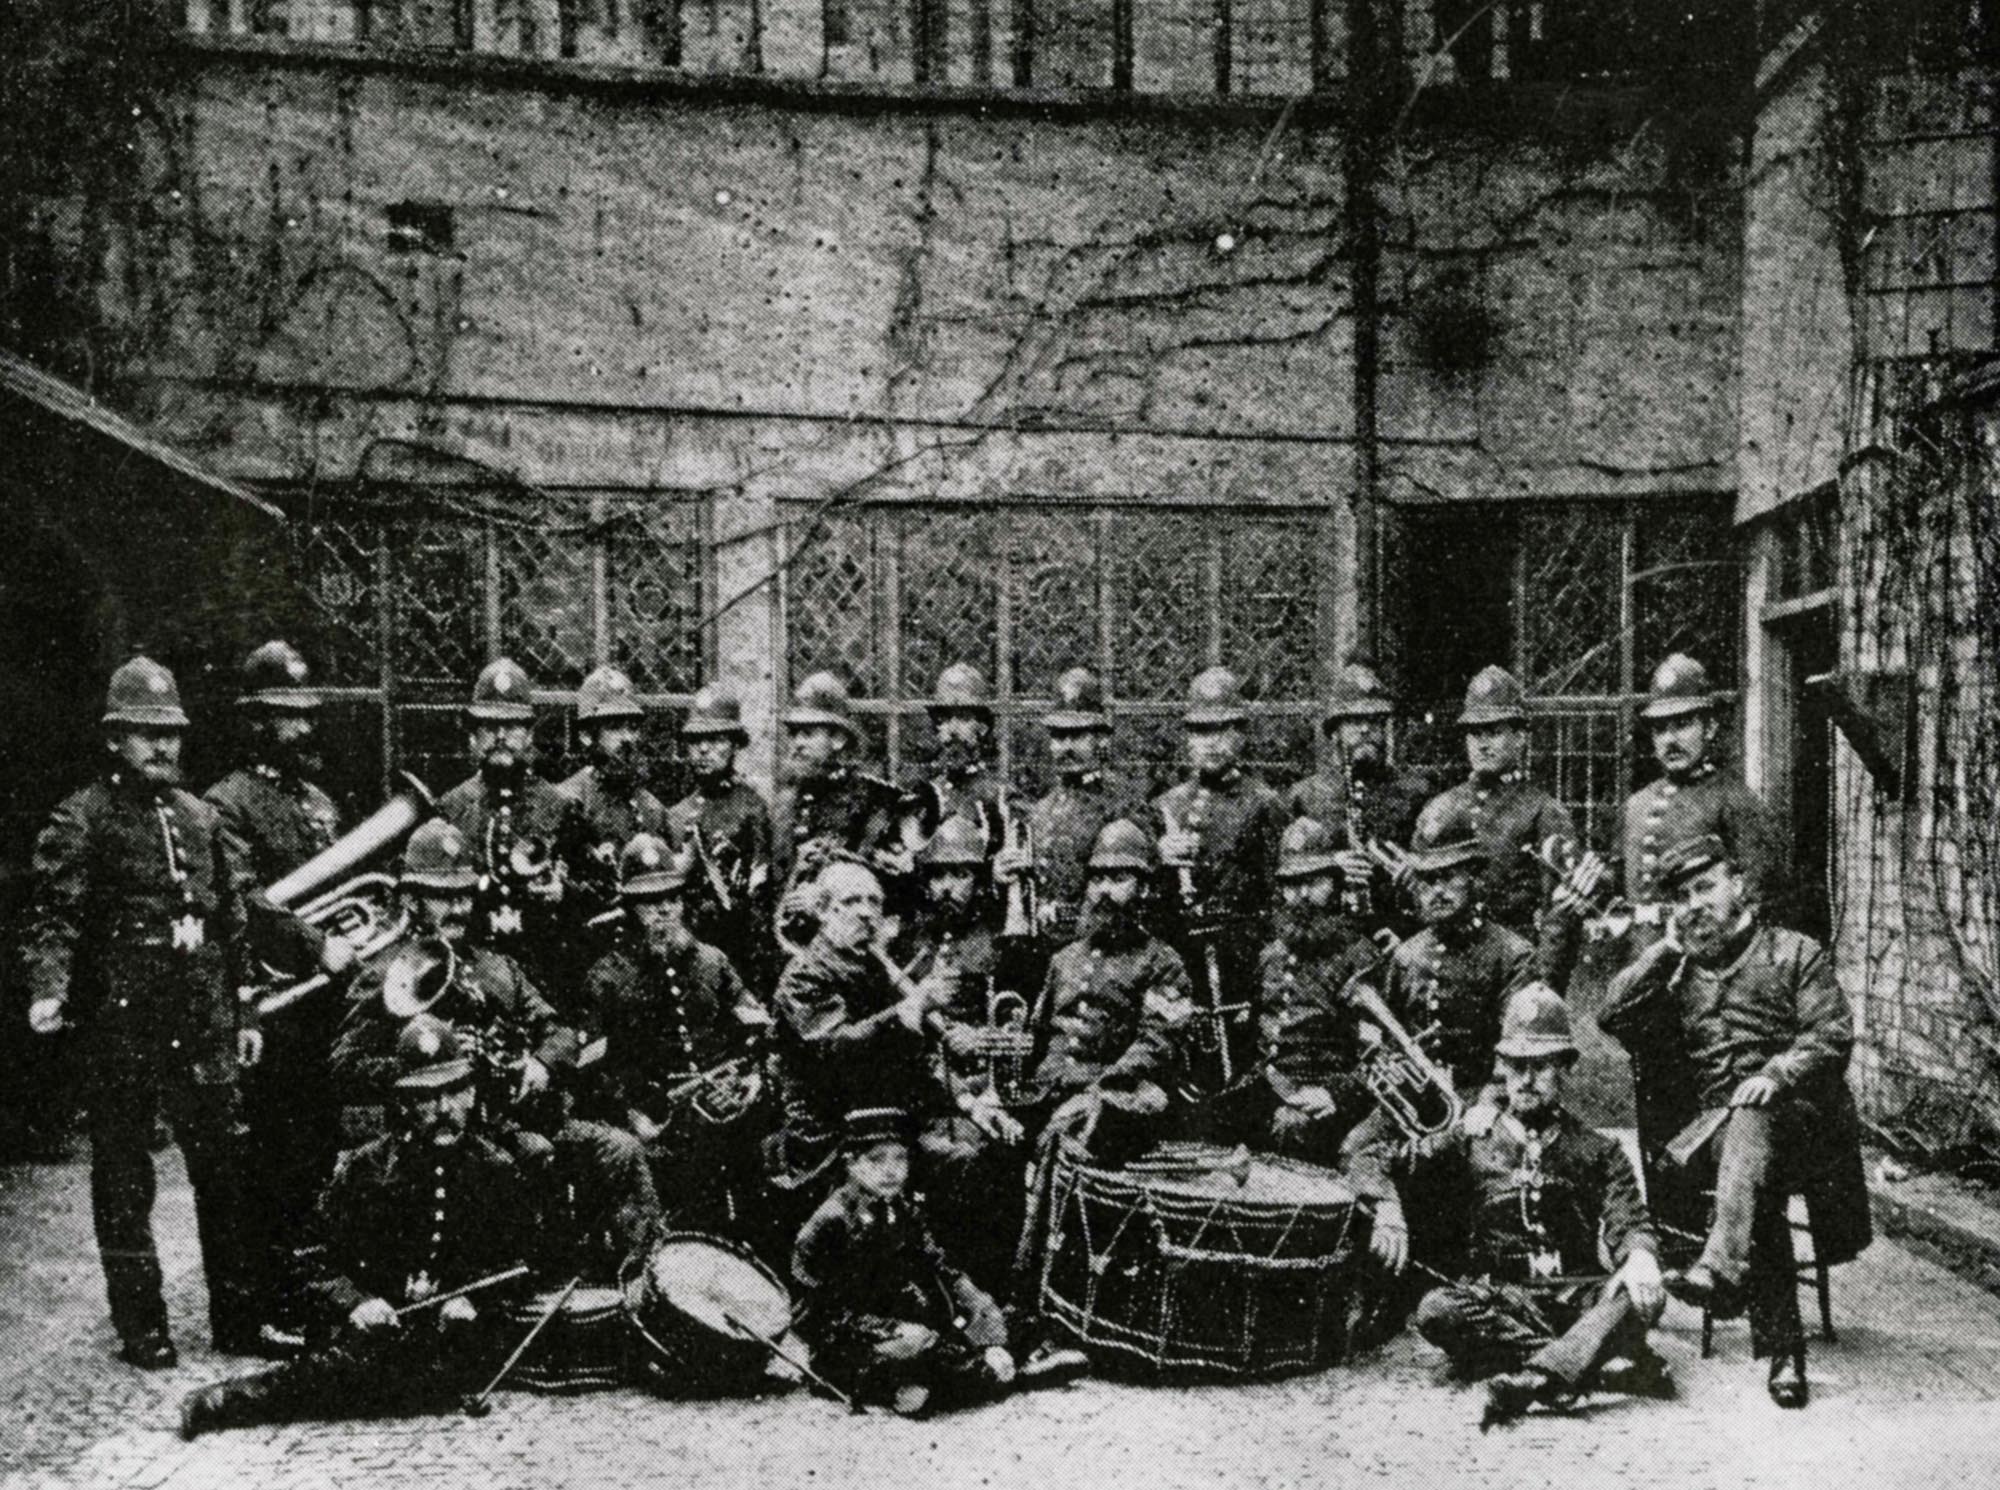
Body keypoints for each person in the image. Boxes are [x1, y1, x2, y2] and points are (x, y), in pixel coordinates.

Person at [22, 656, 259, 1368]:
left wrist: (244, 1009)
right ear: (112, 739)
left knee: (224, 1172)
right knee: (126, 1179)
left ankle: (239, 1321)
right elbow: (53, 915)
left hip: (202, 1021)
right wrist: (49, 987)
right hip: (122, 1026)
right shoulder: (82, 818)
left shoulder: (199, 817)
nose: (162, 746)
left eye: (171, 733)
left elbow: (232, 921)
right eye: (143, 733)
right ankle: (142, 1325)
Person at [1599, 834, 1871, 1409]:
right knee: (1750, 1168)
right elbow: (1610, 1014)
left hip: (1801, 1122)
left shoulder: (1794, 952)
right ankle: (1780, 1351)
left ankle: (1724, 1271)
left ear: (1739, 886)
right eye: (1683, 896)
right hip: (1716, 1137)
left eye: (1706, 888)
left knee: (1756, 1146)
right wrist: (1665, 951)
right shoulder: (1680, 970)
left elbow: (1832, 1033)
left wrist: (1777, 1072)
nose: (1694, 903)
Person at [178, 1015, 539, 1438]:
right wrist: (356, 1302)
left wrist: (476, 1300)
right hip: (371, 1330)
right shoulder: (365, 1169)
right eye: (426, 1097)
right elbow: (310, 1256)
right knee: (361, 1371)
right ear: (403, 1104)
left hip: (453, 1333)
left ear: (473, 1092)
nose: (444, 1110)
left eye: (455, 1092)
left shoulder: (495, 1169)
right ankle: (222, 1401)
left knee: (437, 1371)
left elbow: (521, 1260)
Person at [331, 818, 659, 1284]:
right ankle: (535, 1288)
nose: (458, 907)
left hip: (516, 1113)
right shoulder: (387, 973)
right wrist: (425, 1065)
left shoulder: (497, 966)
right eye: (442, 895)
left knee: (619, 1150)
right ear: (411, 900)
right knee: (534, 1154)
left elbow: (559, 1029)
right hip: (439, 1131)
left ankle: (644, 1285)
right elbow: (346, 1066)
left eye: (465, 894)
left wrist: (541, 1062)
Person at [1395, 984, 1672, 1430]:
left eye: (1539, 1067)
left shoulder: (1599, 1150)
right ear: (1500, 1067)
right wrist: (1388, 1207)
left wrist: (1640, 1256)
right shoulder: (1472, 1136)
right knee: (1436, 1310)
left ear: (1564, 1068)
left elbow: (1630, 1219)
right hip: (1502, 1300)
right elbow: (1387, 1162)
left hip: (1577, 1299)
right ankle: (1585, 1364)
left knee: (1639, 1297)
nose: (1525, 1080)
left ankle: (1534, 1378)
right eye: (1515, 1065)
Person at [204, 640, 355, 1349]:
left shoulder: (319, 803)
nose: (303, 728)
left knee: (316, 1157)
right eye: (286, 717)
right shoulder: (225, 804)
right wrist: (315, 943)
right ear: (256, 722)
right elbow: (241, 899)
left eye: (304, 715)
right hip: (271, 1009)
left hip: (324, 1012)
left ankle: (307, 1292)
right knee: (267, 1163)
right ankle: (260, 1306)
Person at [792, 1106, 1086, 1416]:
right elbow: (813, 1315)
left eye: (900, 1158)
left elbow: (942, 1268)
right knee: (919, 1349)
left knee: (1007, 1318)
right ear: (851, 1165)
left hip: (911, 1323)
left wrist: (986, 1322)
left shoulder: (900, 1208)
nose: (891, 1171)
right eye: (876, 1160)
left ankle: (979, 1369)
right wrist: (891, 1330)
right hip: (852, 1342)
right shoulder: (831, 1223)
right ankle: (1009, 1375)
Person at [581, 833, 771, 1238]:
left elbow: (755, 1028)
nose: (665, 910)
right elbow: (594, 1069)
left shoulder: (712, 961)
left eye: (672, 898)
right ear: (630, 909)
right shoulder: (607, 977)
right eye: (651, 902)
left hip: (727, 1102)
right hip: (659, 1118)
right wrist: (633, 1114)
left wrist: (753, 1078)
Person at [763, 858, 964, 1213]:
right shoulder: (804, 975)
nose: (866, 913)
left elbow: (913, 1059)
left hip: (881, 1121)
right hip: (829, 1136)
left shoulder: (871, 967)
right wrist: (910, 1009)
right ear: (823, 912)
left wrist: (966, 1100)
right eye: (852, 902)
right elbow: (838, 1047)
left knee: (971, 1155)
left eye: (874, 902)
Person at [1149, 667, 1286, 1094]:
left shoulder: (1263, 804)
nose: (1210, 742)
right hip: (1183, 957)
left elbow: (1277, 895)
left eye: (1221, 730)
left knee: (1241, 1067)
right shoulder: (1167, 805)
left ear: (1241, 736)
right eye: (1200, 731)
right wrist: (1159, 859)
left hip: (1240, 956)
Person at [1417, 665, 1592, 992]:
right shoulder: (1439, 810)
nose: (1483, 744)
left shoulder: (1543, 812)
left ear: (1520, 737)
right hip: (1448, 976)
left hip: (1513, 972)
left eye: (1494, 731)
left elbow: (1561, 915)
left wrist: (1541, 986)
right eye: (1475, 733)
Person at [435, 657, 585, 1003]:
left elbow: (596, 895)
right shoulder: (450, 807)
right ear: (473, 736)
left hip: (547, 970)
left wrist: (564, 891)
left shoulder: (560, 806)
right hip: (474, 974)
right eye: (489, 727)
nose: (501, 737)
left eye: (513, 726)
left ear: (529, 735)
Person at [994, 666, 1147, 986]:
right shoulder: (1043, 806)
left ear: (1100, 739)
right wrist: (1005, 872)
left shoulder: (1122, 805)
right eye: (1059, 737)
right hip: (1042, 951)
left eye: (1077, 736)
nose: (1066, 747)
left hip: (1097, 953)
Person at [1615, 654, 1780, 937]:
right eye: (1660, 729)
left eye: (1682, 724)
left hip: (1701, 957)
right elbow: (1619, 889)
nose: (1670, 740)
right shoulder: (1636, 805)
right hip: (1638, 957)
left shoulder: (1734, 800)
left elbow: (1757, 899)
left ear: (1710, 728)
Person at [1250, 818, 1381, 1166]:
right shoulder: (1271, 955)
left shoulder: (1360, 957)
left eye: (1313, 882)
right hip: (1272, 1086)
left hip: (1325, 1097)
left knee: (1289, 1126)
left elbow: (1378, 1056)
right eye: (1292, 885)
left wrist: (1335, 1093)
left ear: (1335, 885)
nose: (1302, 897)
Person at [1286, 659, 1434, 942]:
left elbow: (1433, 863)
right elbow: (1285, 874)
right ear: (1335, 731)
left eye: (1374, 721)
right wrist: (1331, 862)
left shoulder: (1416, 791)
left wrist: (1414, 865)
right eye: (1354, 721)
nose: (1365, 729)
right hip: (1330, 935)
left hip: (1401, 931)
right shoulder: (1304, 796)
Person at [666, 684, 775, 989]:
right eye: (696, 741)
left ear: (734, 745)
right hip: (686, 953)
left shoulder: (752, 809)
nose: (703, 750)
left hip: (737, 951)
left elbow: (760, 895)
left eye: (715, 740)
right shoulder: (676, 814)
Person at [557, 664, 669, 950]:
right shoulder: (567, 801)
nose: (628, 738)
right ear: (586, 736)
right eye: (615, 727)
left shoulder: (652, 810)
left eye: (632, 727)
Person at [771, 671, 901, 889]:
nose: (798, 743)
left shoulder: (871, 800)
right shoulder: (786, 803)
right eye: (794, 733)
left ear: (838, 740)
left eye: (808, 733)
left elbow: (881, 883)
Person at [901, 662, 1006, 852]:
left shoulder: (999, 799)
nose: (953, 730)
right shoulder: (925, 796)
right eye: (944, 719)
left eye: (964, 718)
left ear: (982, 728)